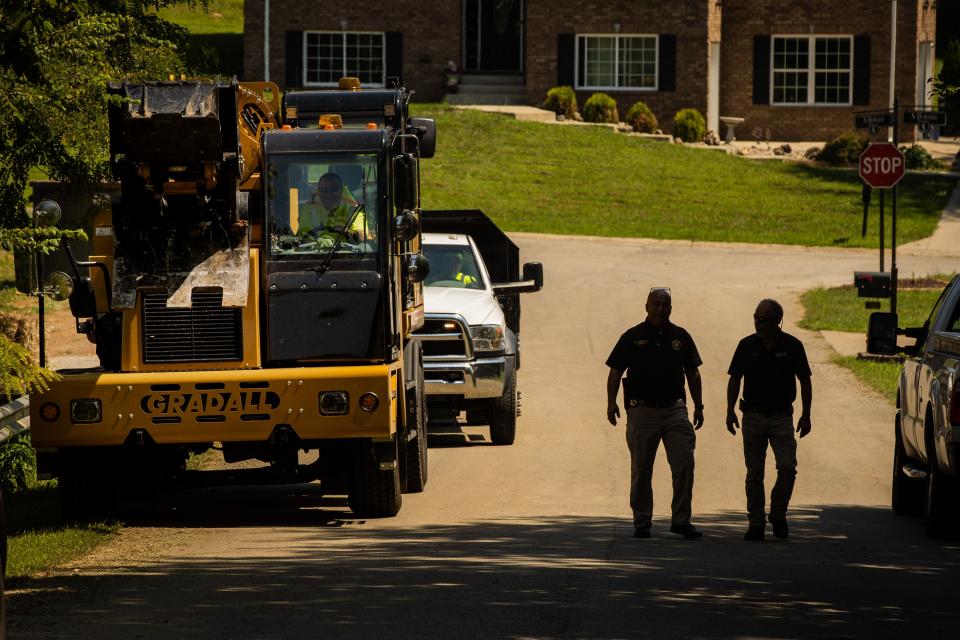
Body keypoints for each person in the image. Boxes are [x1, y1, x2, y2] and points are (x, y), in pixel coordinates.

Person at [606, 288, 705, 539]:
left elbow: (693, 372)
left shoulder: (680, 337)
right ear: (646, 306)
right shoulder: (632, 336)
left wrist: (699, 405)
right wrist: (611, 403)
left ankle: (681, 521)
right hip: (642, 411)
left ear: (671, 308)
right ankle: (642, 522)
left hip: (674, 410)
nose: (661, 309)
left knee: (684, 463)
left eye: (665, 304)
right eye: (656, 304)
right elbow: (616, 371)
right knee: (642, 468)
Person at [726, 298, 812, 541]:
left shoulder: (793, 346)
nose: (757, 323)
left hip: (781, 417)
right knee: (754, 472)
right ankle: (755, 522)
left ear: (777, 322)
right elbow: (735, 378)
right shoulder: (746, 345)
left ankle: (777, 512)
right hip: (752, 415)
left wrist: (806, 415)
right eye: (755, 317)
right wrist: (730, 410)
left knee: (787, 467)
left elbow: (805, 379)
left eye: (762, 320)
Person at [298, 172, 370, 241]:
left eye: (334, 190)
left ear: (341, 190)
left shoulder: (353, 210)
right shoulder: (308, 210)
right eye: (324, 191)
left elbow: (362, 236)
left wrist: (347, 232)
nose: (329, 194)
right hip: (315, 252)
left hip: (346, 252)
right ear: (318, 192)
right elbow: (303, 237)